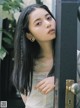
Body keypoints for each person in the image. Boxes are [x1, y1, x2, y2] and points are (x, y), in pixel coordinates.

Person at [12, 4, 56, 108]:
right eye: (38, 23)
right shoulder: (26, 66)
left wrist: (60, 81)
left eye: (49, 18)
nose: (48, 24)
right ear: (29, 35)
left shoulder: (75, 57)